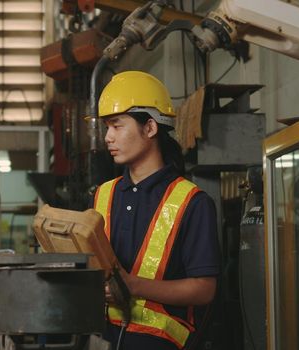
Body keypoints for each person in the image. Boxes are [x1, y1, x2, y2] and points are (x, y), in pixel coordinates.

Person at [91, 71, 220, 349]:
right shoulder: (104, 194)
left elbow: (204, 289)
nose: (108, 138)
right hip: (104, 339)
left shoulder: (192, 201)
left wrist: (133, 285)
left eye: (117, 126)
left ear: (150, 128)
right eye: (106, 128)